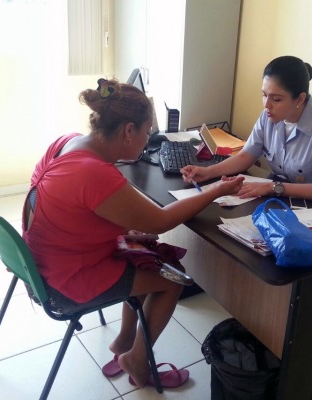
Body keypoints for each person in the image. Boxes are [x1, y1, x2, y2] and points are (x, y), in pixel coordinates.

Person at [22, 78, 244, 388]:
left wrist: (124, 229)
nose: (148, 138)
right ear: (129, 131)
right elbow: (161, 221)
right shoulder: (94, 173)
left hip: (44, 264)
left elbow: (75, 211)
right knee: (174, 278)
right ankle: (138, 362)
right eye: (147, 131)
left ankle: (124, 344)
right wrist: (216, 189)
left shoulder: (67, 143)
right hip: (66, 281)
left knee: (143, 256)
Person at [182, 55, 312, 205]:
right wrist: (207, 172)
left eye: (276, 99)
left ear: (300, 99)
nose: (267, 105)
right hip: (283, 201)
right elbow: (245, 156)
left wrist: (273, 187)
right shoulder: (269, 117)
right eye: (264, 95)